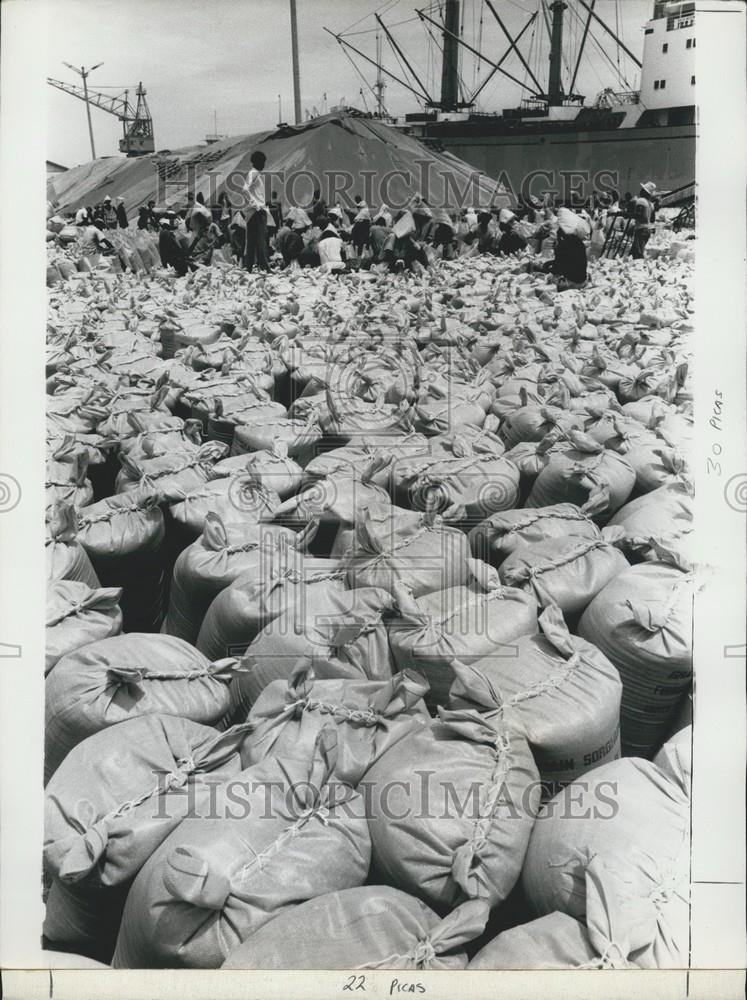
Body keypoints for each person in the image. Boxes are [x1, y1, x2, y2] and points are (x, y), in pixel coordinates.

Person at [539, 207, 589, 290]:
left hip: (571, 283)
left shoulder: (565, 244)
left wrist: (546, 269)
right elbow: (565, 262)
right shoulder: (576, 241)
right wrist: (550, 263)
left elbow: (560, 268)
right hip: (582, 281)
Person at [242, 150, 269, 272]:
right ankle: (264, 266)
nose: (264, 165)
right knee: (261, 240)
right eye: (263, 162)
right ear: (258, 162)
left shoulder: (253, 173)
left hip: (252, 211)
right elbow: (245, 189)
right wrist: (256, 204)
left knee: (251, 240)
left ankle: (248, 267)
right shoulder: (255, 173)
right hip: (258, 211)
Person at [631, 181, 656, 259]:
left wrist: (628, 215)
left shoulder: (641, 201)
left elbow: (639, 215)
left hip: (640, 230)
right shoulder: (651, 204)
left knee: (637, 254)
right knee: (637, 251)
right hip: (647, 230)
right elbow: (652, 219)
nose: (640, 191)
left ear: (644, 192)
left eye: (642, 189)